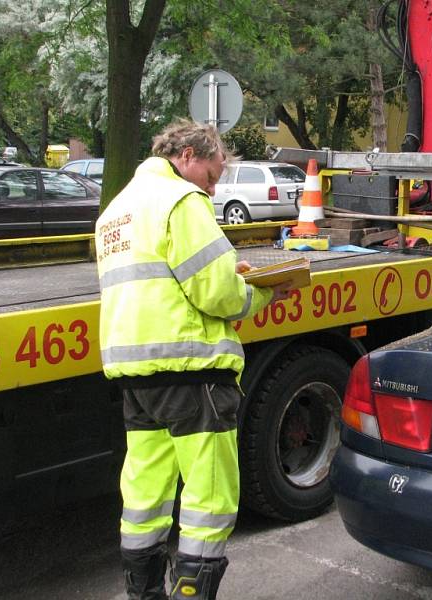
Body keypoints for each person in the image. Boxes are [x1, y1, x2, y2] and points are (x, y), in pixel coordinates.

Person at [95, 119, 290, 600]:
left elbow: (160, 279)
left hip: (137, 377)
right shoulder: (183, 202)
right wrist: (263, 295)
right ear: (186, 155)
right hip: (192, 371)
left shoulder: (115, 212)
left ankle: (144, 593)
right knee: (209, 497)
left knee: (145, 494)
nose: (215, 183)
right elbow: (219, 295)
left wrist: (225, 275)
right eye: (213, 172)